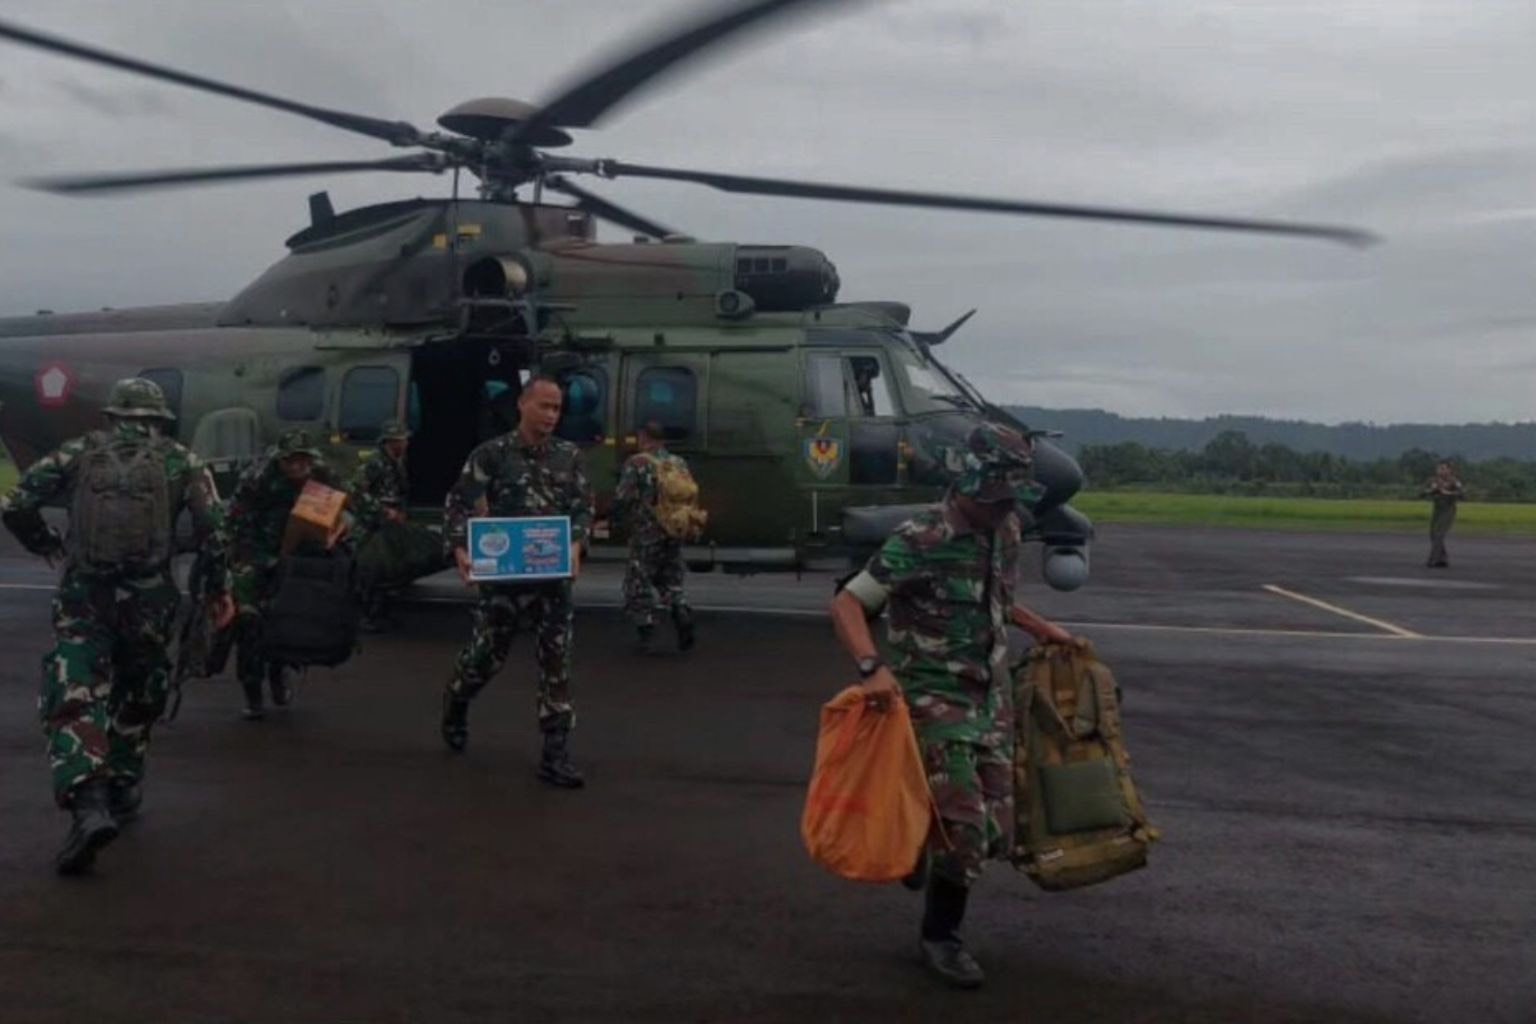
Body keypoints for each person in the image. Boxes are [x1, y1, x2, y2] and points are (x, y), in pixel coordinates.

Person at [828, 422, 1074, 989]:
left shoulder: (1005, 529)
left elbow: (999, 599)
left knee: (999, 835)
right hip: (932, 699)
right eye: (997, 497)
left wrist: (1045, 629)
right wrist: (872, 668)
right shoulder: (922, 537)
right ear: (969, 486)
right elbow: (846, 604)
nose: (1005, 509)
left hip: (990, 698)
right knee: (965, 833)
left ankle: (918, 840)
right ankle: (941, 938)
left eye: (1012, 498)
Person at [0, 378, 234, 874]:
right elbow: (217, 531)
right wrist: (217, 593)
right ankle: (125, 782)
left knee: (75, 695)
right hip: (150, 598)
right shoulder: (182, 460)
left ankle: (89, 802)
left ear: (113, 416)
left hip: (86, 595)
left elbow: (16, 503)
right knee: (141, 686)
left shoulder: (79, 452)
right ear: (158, 418)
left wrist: (46, 543)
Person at [440, 376, 593, 789]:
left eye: (557, 409)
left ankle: (555, 752)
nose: (550, 416)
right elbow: (458, 505)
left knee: (556, 660)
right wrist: (461, 549)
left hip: (552, 578)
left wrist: (577, 545)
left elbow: (582, 510)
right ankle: (456, 700)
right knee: (487, 656)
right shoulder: (491, 455)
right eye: (543, 406)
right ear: (522, 405)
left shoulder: (569, 456)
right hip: (504, 579)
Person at [226, 427, 345, 720]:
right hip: (254, 553)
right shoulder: (258, 479)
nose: (296, 467)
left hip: (296, 557)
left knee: (288, 617)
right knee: (249, 620)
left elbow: (350, 505)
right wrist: (245, 564)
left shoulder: (322, 475)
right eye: (290, 461)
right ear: (279, 460)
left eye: (302, 461)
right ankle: (253, 691)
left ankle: (279, 672)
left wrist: (339, 529)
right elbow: (235, 525)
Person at [613, 421, 696, 653]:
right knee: (670, 577)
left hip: (646, 532)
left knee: (637, 581)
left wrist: (613, 519)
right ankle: (680, 609)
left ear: (644, 437)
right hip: (674, 530)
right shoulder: (678, 463)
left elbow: (624, 497)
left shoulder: (637, 463)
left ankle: (646, 629)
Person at [351, 419, 415, 632]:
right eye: (400, 440)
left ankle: (381, 612)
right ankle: (365, 614)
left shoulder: (396, 462)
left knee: (388, 566)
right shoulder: (375, 463)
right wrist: (383, 511)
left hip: (390, 521)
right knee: (371, 568)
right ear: (391, 442)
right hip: (373, 522)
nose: (404, 444)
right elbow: (356, 491)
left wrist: (400, 512)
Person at [1421, 460, 1465, 568]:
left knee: (1439, 534)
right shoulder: (1433, 480)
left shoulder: (1454, 481)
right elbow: (1422, 492)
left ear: (1449, 470)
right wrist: (1431, 491)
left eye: (1443, 468)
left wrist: (1448, 493)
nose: (1440, 471)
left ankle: (1433, 559)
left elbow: (1462, 495)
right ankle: (1442, 558)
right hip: (1437, 509)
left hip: (1448, 509)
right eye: (1438, 468)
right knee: (1433, 534)